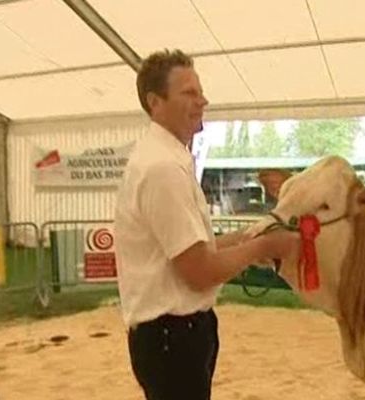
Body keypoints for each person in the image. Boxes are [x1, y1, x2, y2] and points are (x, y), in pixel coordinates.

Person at [114, 49, 299, 400]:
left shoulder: (168, 159)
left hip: (176, 335)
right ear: (155, 102)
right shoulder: (162, 169)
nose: (203, 101)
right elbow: (198, 271)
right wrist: (263, 247)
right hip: (173, 337)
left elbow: (196, 250)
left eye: (200, 91)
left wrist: (247, 237)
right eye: (189, 93)